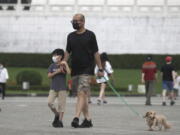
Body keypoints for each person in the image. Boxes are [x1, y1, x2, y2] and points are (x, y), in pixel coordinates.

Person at [64, 13, 103, 128]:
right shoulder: (70, 36)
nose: (74, 23)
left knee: (82, 93)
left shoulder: (90, 35)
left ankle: (76, 117)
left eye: (76, 21)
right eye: (73, 21)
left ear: (83, 22)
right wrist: (63, 63)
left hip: (87, 69)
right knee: (82, 96)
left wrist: (100, 68)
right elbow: (67, 52)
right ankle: (88, 120)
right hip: (75, 69)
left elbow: (96, 53)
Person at [47, 48, 70, 128]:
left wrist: (65, 64)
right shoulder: (52, 65)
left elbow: (69, 72)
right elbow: (49, 75)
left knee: (61, 105)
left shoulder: (63, 65)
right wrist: (57, 72)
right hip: (53, 88)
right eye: (53, 55)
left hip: (62, 88)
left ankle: (60, 121)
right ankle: (56, 114)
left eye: (55, 55)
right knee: (49, 103)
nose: (53, 57)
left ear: (60, 56)